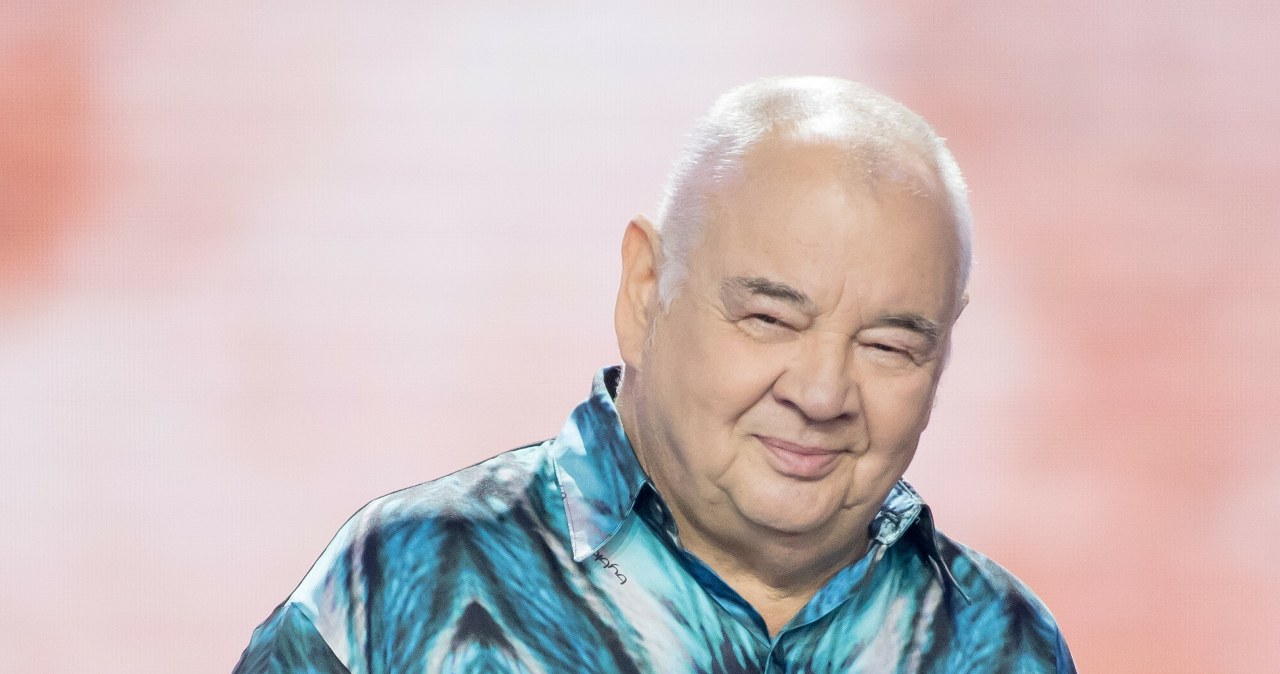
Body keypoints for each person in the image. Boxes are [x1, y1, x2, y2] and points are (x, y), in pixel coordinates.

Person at [234, 76, 1075, 673]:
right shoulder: (395, 589)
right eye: (769, 318)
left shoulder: (1005, 645)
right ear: (645, 291)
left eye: (889, 345)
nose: (822, 395)